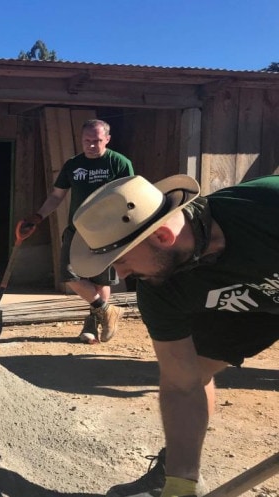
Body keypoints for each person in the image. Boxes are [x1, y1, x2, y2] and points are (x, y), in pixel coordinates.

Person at [69, 173, 279, 497]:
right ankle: (177, 474)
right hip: (247, 300)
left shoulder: (266, 208)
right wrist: (179, 488)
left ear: (163, 235)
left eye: (121, 260)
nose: (120, 275)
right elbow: (182, 385)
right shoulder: (160, 292)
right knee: (195, 368)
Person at [19, 119, 134, 344]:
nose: (91, 145)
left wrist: (125, 230)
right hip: (78, 229)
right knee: (69, 275)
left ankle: (92, 324)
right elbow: (56, 196)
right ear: (81, 140)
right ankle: (108, 310)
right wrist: (39, 216)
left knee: (101, 281)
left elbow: (130, 195)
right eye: (87, 141)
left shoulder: (119, 163)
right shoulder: (73, 164)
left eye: (97, 141)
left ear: (107, 140)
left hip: (107, 232)